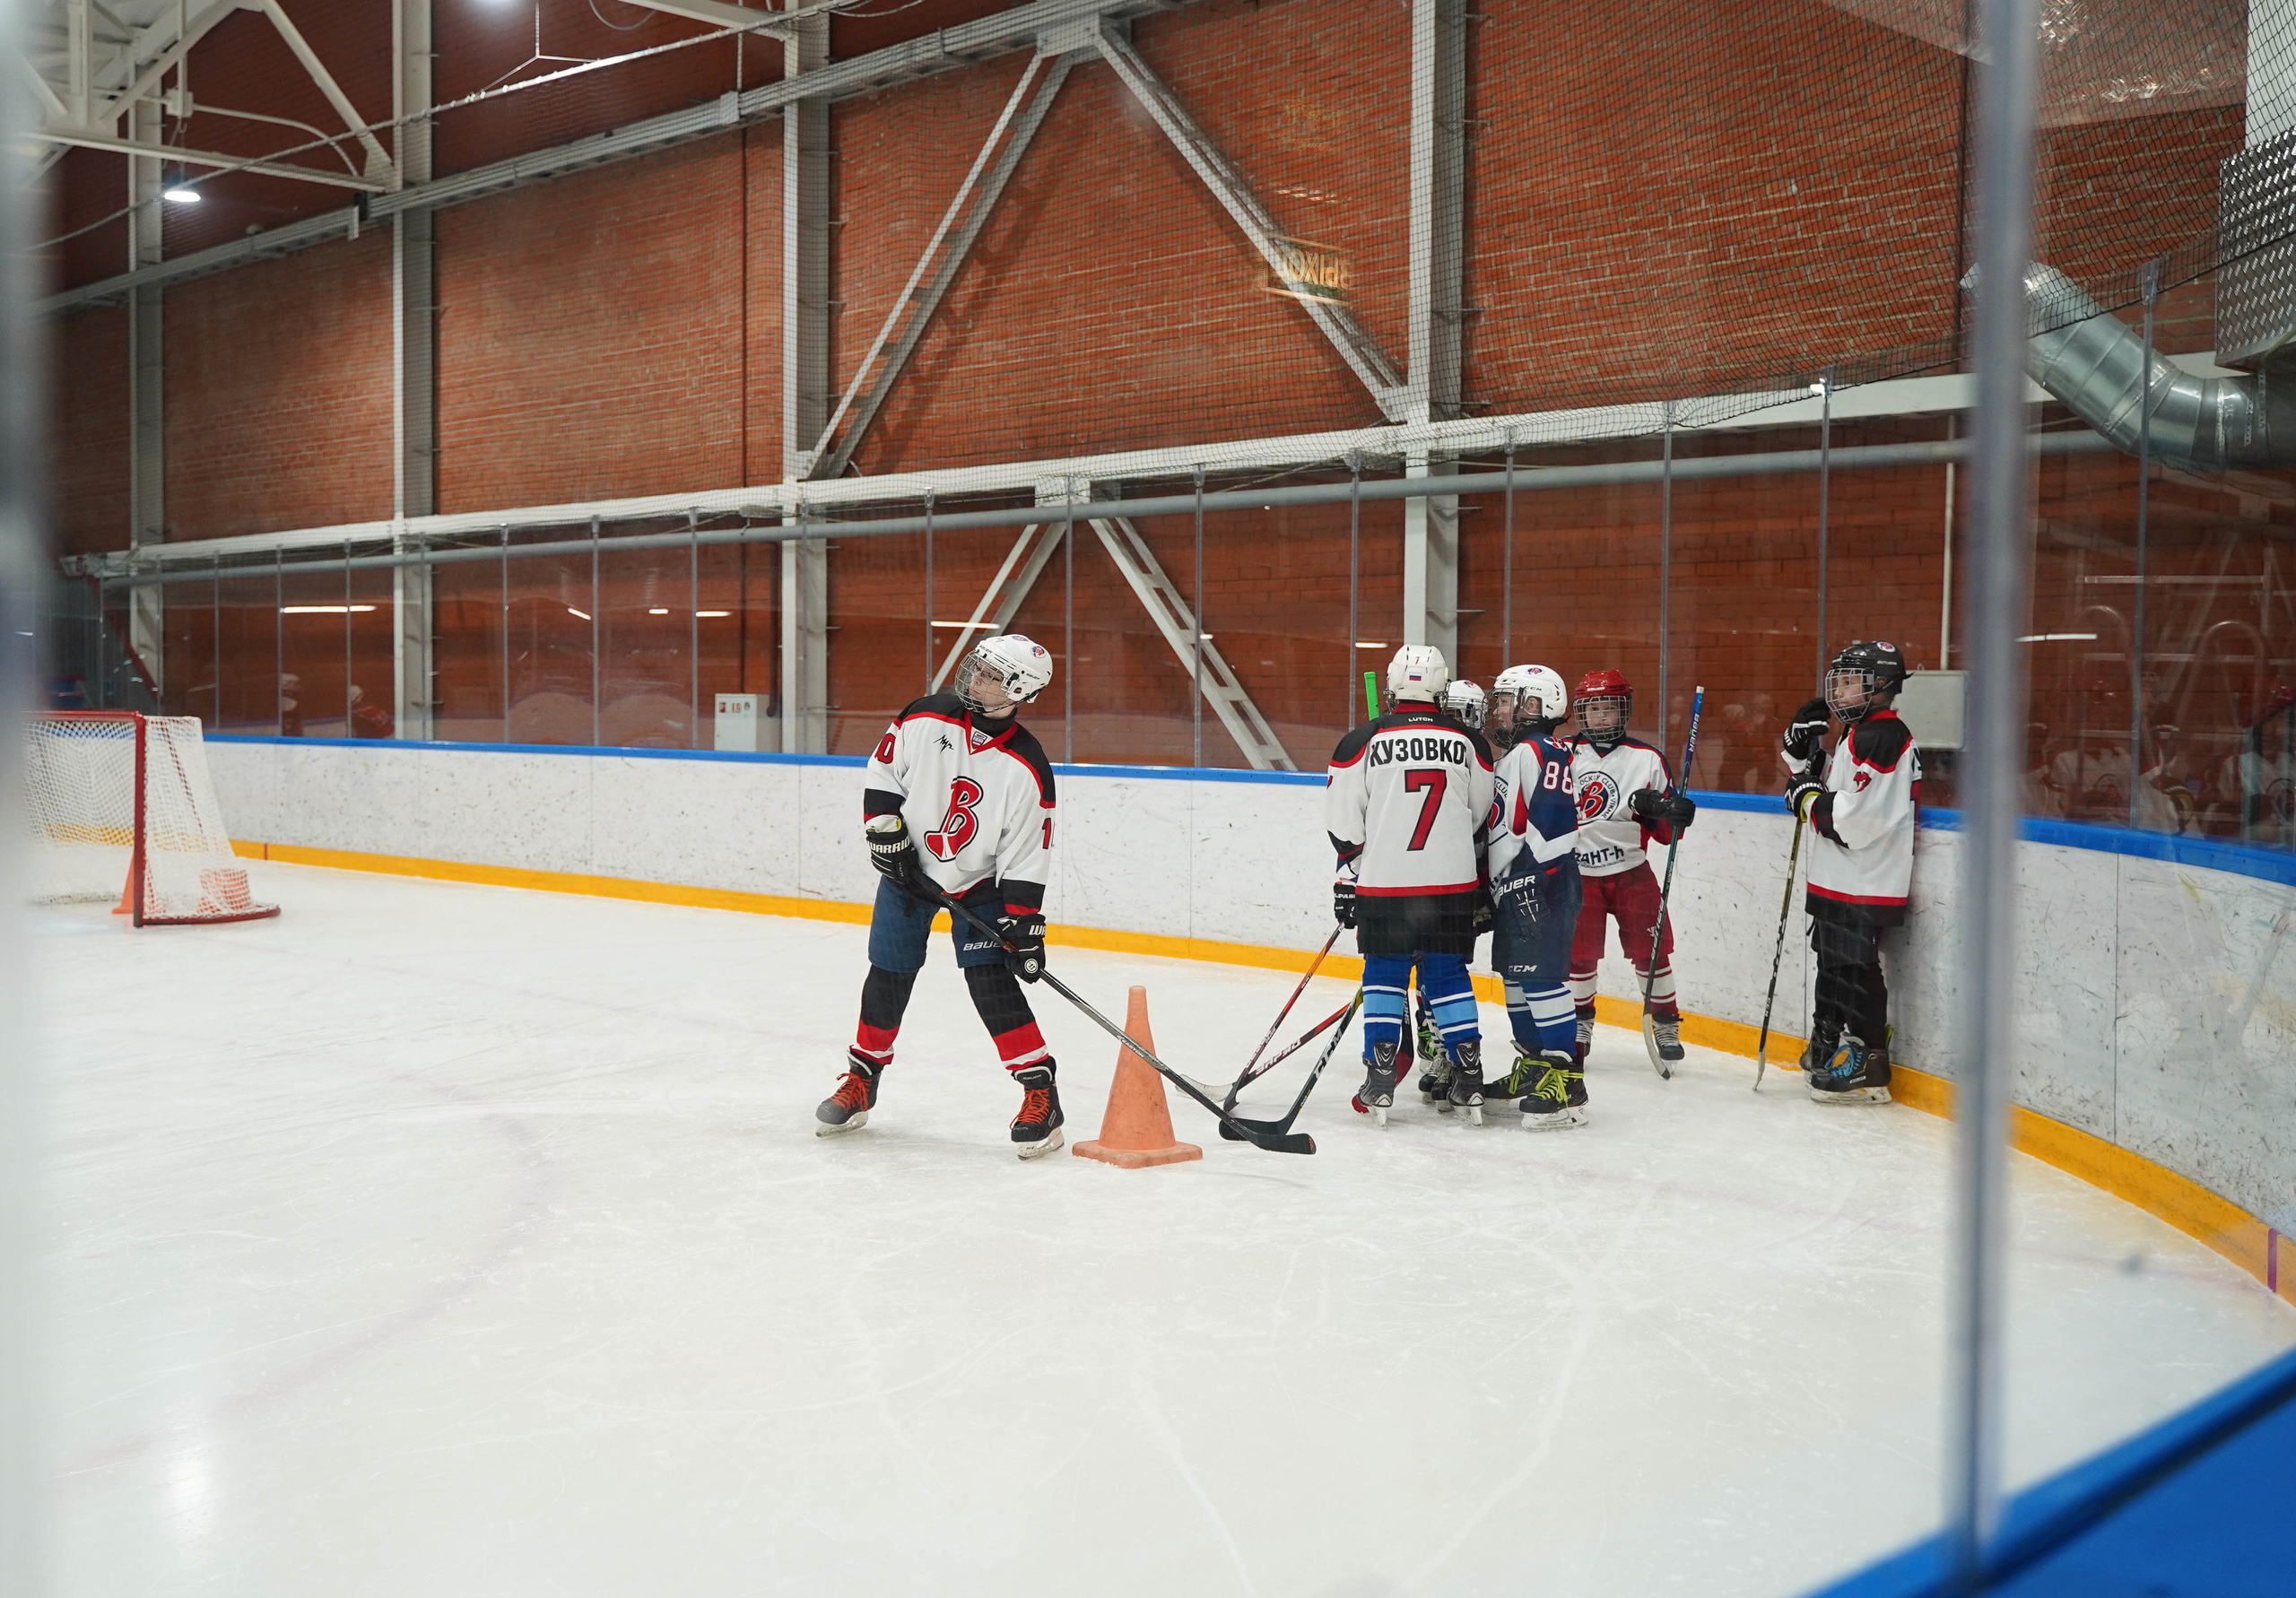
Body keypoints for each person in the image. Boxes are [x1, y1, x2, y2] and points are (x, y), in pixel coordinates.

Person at [815, 633, 1065, 1157]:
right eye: (979, 668)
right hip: (908, 874)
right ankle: (862, 1081)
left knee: (990, 984)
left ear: (1019, 690)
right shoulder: (925, 716)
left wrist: (1024, 924)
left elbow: (1025, 852)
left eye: (993, 676)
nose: (977, 678)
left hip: (977, 889)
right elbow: (884, 771)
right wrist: (886, 833)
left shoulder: (1027, 768)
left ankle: (1041, 1092)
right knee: (888, 974)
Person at [1326, 645, 1498, 1126]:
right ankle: (1469, 1073)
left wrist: (1354, 871)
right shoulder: (1471, 743)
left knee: (1384, 973)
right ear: (1441, 687)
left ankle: (1381, 1077)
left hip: (1386, 886)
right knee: (1447, 977)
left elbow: (1343, 823)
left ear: (1393, 684)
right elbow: (1479, 815)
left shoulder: (1361, 740)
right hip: (1451, 884)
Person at [1782, 639, 1919, 1105]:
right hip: (1840, 877)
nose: (1839, 691)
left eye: (1849, 682)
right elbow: (1828, 785)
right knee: (1833, 961)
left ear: (1880, 686)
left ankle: (1870, 1057)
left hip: (1867, 877)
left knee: (1856, 968)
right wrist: (1802, 753)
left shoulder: (1884, 735)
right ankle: (1830, 1038)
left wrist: (1803, 797)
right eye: (1837, 681)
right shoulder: (1856, 733)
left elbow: (1854, 823)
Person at [1564, 668, 1696, 1064]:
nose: (1601, 717)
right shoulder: (1563, 754)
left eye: (1609, 707)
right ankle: (1579, 1022)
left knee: (1651, 951)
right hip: (1579, 874)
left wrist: (1671, 815)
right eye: (1593, 709)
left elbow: (1667, 836)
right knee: (1579, 956)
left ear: (1624, 711)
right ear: (1580, 713)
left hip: (1631, 872)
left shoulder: (1648, 759)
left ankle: (1666, 1021)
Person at [1481, 664, 1588, 1128]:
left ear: (1535, 705)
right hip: (1517, 882)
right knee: (1516, 981)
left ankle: (1568, 1081)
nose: (1498, 709)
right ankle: (1535, 1067)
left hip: (1541, 882)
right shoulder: (1516, 754)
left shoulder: (1538, 750)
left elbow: (1555, 825)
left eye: (1506, 701)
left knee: (1543, 980)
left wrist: (1534, 879)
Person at [1410, 676, 1490, 1087]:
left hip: (1463, 887)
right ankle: (1440, 1044)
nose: (1457, 721)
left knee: (1447, 967)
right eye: (1451, 712)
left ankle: (1452, 1050)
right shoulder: (1456, 752)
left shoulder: (1482, 756)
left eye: (1464, 714)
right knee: (1432, 968)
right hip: (1439, 884)